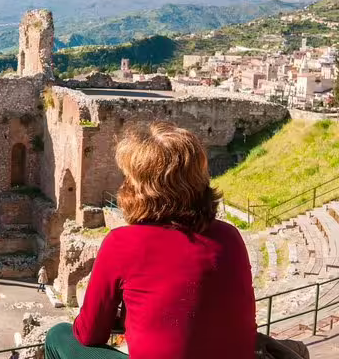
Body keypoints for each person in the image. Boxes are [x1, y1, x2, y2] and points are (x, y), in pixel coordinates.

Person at [45, 122, 256, 359]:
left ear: (137, 186)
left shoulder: (122, 244)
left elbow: (89, 333)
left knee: (58, 336)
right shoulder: (230, 237)